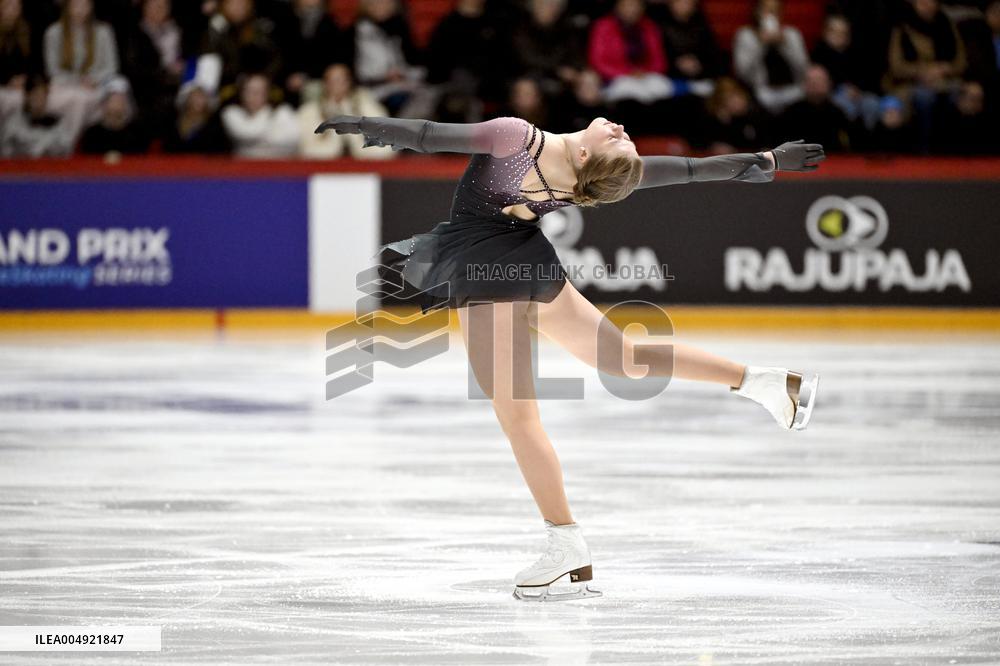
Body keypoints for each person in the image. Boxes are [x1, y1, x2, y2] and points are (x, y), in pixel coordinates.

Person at [316, 113, 825, 602]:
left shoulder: (516, 139)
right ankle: (764, 382)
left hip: (486, 265)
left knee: (518, 417)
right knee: (623, 358)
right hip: (523, 255)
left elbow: (430, 136)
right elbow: (691, 170)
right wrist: (768, 160)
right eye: (624, 139)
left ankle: (565, 545)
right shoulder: (590, 173)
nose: (622, 130)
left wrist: (369, 126)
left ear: (584, 154)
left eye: (618, 140)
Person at [298, 63, 394, 159]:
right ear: (325, 84)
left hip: (363, 161)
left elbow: (386, 143)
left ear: (349, 82)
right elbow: (306, 148)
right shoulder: (310, 110)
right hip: (323, 162)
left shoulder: (365, 104)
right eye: (332, 81)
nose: (336, 85)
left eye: (341, 80)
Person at [733, 0, 809, 115]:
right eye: (767, 9)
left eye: (775, 10)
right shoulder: (745, 35)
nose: (771, 13)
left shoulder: (792, 34)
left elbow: (804, 68)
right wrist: (761, 44)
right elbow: (742, 71)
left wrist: (784, 44)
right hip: (762, 92)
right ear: (756, 12)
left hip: (793, 91)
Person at [221, 72, 298, 158]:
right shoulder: (231, 112)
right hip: (242, 164)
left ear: (268, 93)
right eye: (250, 91)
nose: (254, 95)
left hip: (278, 164)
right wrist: (269, 120)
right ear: (241, 92)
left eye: (260, 91)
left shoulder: (283, 111)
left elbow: (292, 140)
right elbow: (246, 134)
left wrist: (251, 146)